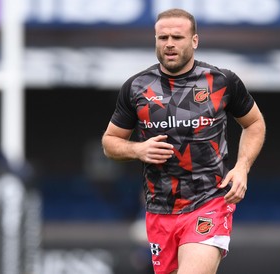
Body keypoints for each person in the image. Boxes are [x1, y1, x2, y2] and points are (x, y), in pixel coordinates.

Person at [102, 8, 266, 274]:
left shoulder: (221, 81)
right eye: (162, 37)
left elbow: (254, 123)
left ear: (194, 41)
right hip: (159, 210)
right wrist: (138, 149)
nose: (169, 44)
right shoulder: (135, 87)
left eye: (177, 37)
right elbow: (110, 142)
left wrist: (242, 167)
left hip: (209, 201)